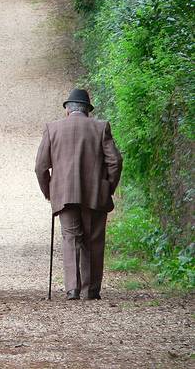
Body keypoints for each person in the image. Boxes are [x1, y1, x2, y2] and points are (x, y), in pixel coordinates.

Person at [35, 89, 122, 300]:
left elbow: (40, 167)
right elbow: (115, 161)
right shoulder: (100, 127)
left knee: (71, 238)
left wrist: (49, 192)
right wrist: (107, 187)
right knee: (93, 240)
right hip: (94, 195)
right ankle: (90, 290)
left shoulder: (52, 128)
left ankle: (72, 289)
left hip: (64, 194)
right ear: (88, 111)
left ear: (67, 110)